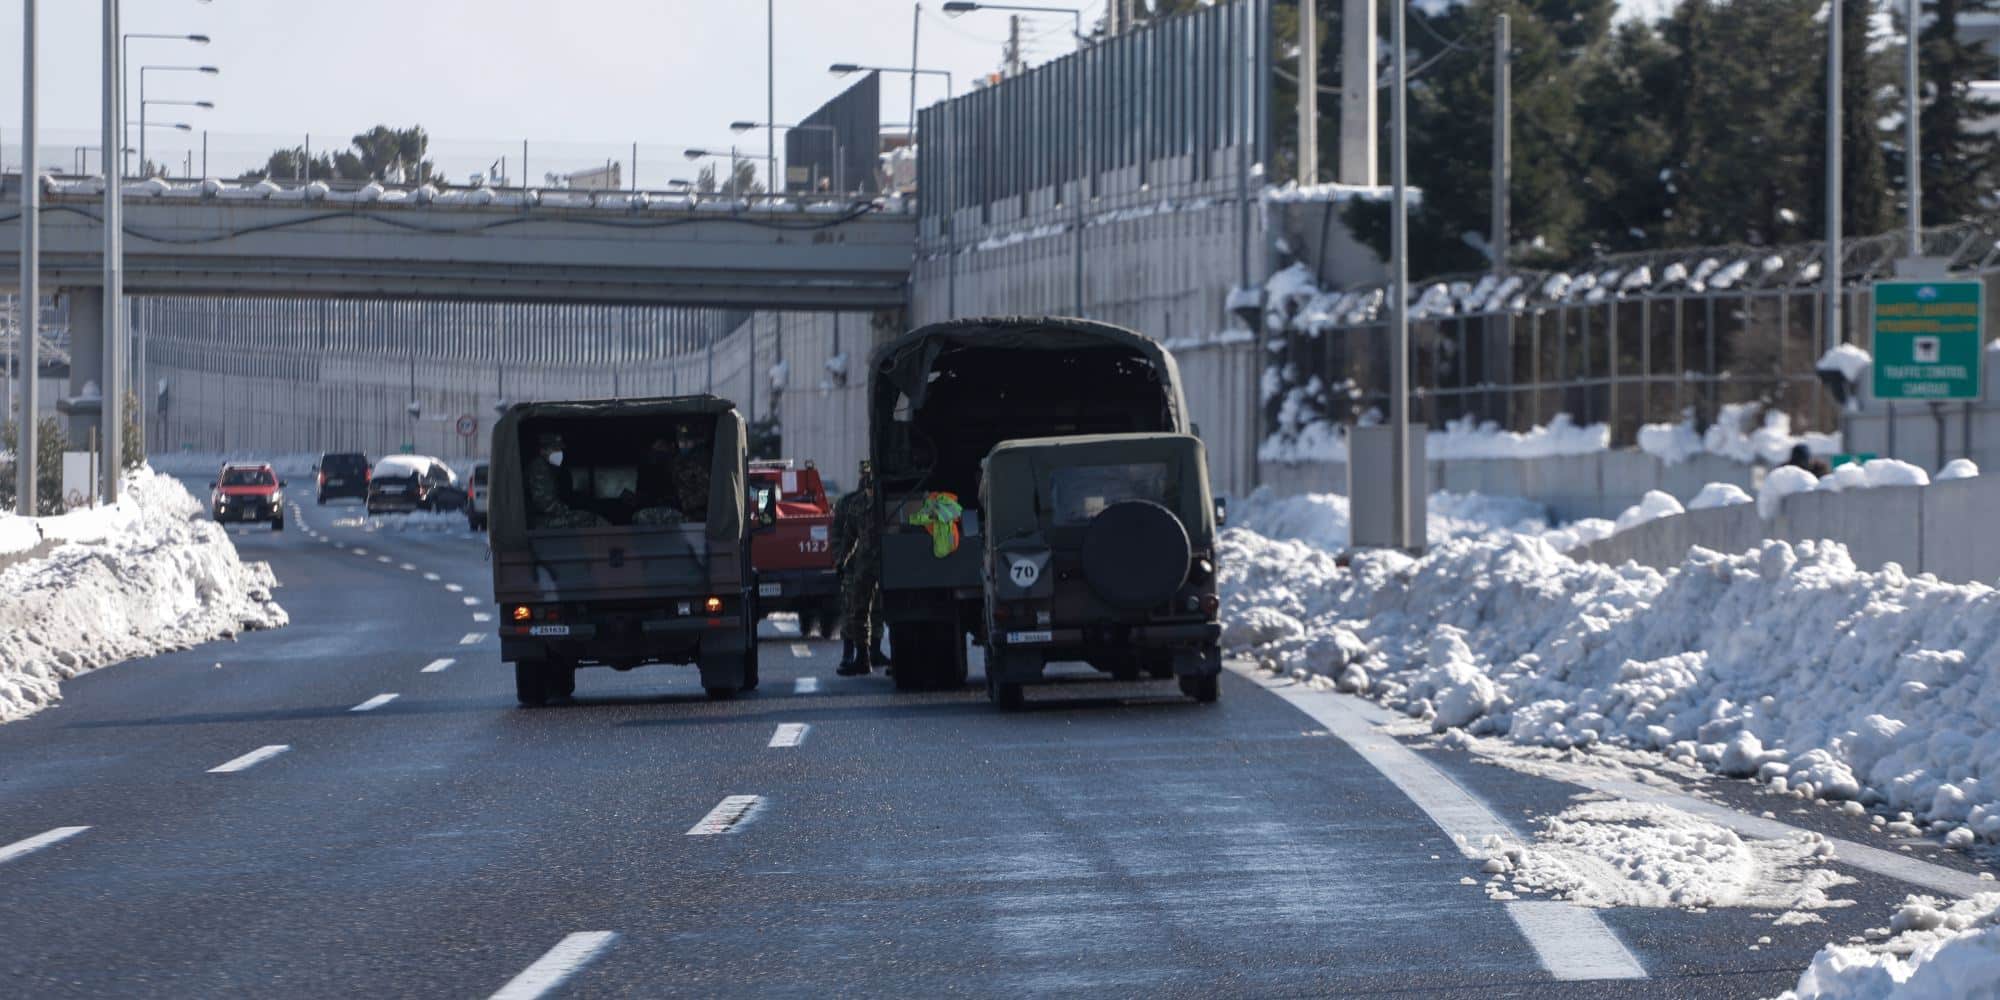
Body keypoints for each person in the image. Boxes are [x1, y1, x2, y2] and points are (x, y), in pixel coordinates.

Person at [831, 460, 889, 675]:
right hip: (863, 566)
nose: (865, 479)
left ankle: (871, 654)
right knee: (858, 611)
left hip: (881, 563)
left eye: (869, 475)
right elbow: (846, 536)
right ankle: (861, 658)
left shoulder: (885, 500)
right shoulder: (854, 503)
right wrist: (842, 561)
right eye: (863, 475)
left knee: (881, 611)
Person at [526, 431, 607, 529]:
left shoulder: (550, 468)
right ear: (542, 450)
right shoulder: (539, 467)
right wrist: (567, 512)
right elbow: (545, 504)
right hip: (539, 521)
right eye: (555, 449)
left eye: (560, 449)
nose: (559, 452)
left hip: (544, 518)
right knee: (588, 518)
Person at [628, 437, 685, 526]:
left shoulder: (677, 467)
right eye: (654, 450)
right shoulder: (645, 467)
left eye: (660, 447)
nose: (657, 454)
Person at [671, 421, 711, 523]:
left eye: (687, 441)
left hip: (696, 516)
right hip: (678, 513)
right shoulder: (677, 461)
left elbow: (705, 492)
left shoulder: (701, 461)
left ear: (694, 441)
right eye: (681, 441)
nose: (683, 444)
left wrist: (685, 504)